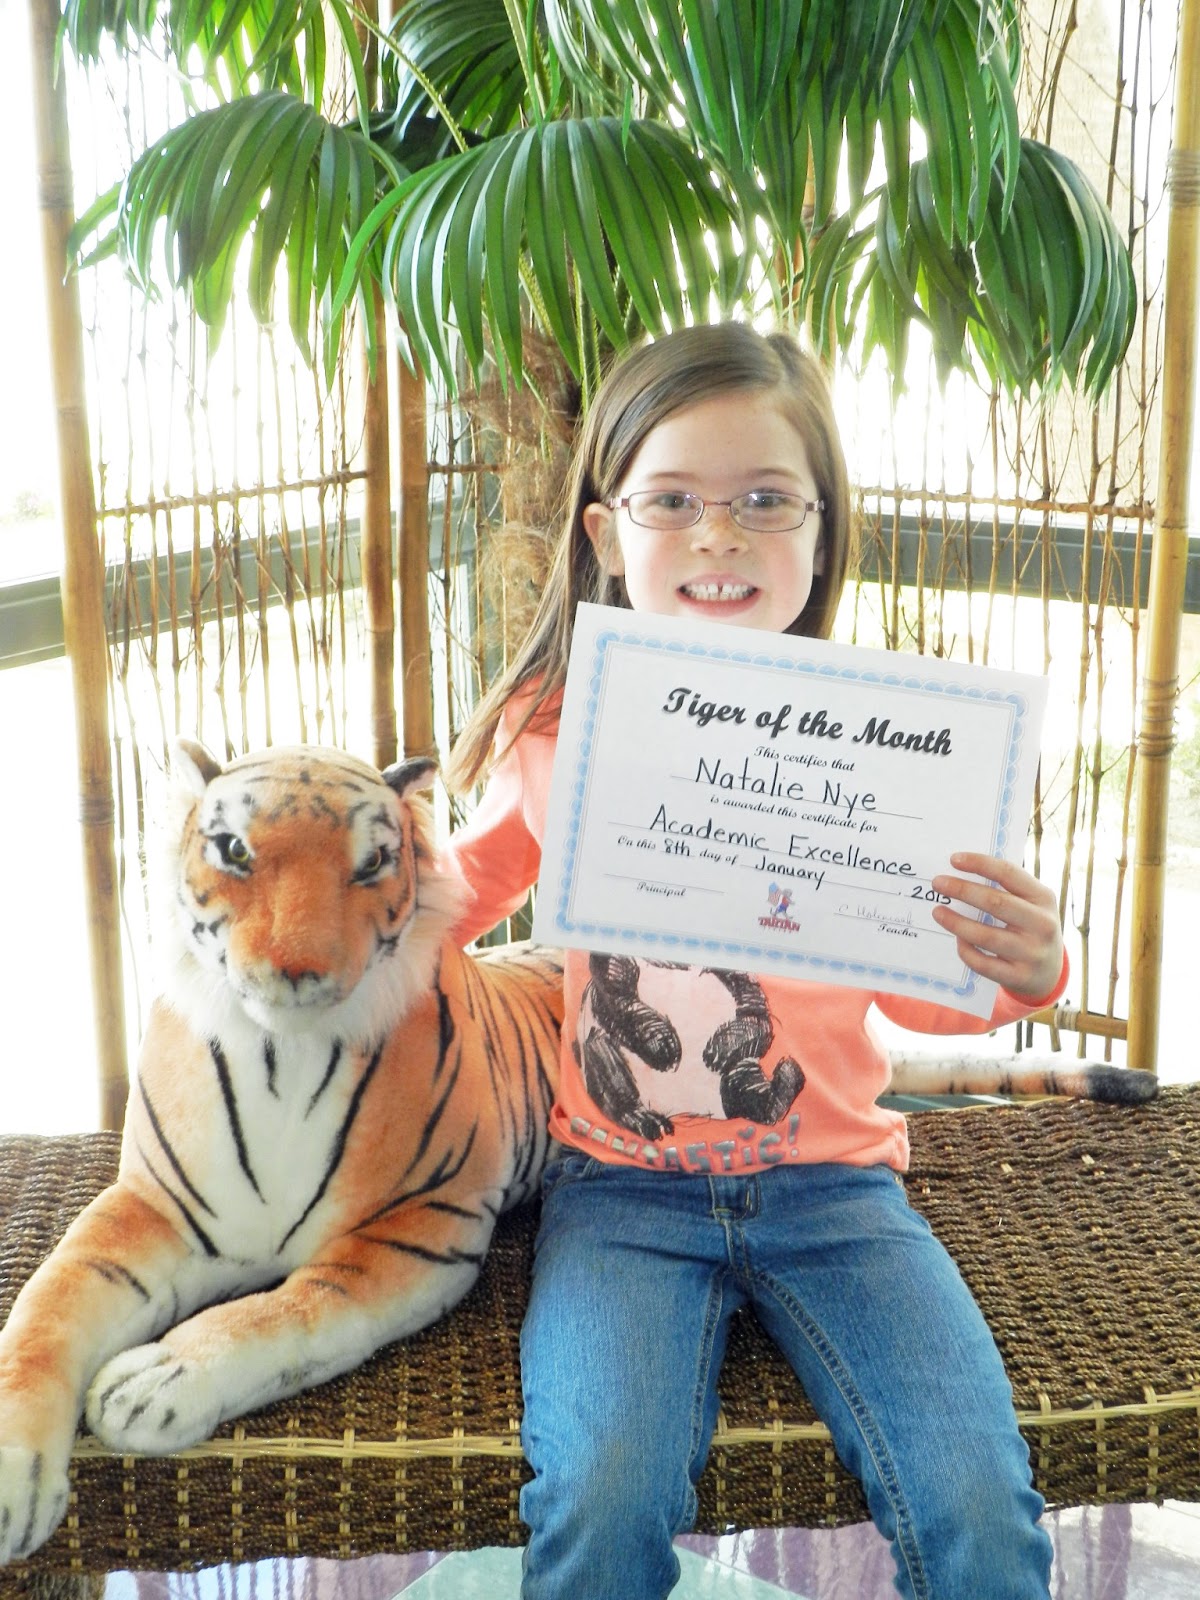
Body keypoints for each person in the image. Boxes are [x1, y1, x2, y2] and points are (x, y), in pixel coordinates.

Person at [442, 322, 1066, 1600]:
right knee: (599, 1503)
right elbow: (457, 892)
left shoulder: (884, 746)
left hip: (839, 1191)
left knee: (979, 1509)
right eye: (673, 501)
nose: (718, 535)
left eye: (766, 500)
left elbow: (932, 991)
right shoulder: (554, 731)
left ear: (822, 532)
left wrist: (1026, 965)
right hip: (620, 1196)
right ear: (606, 532)